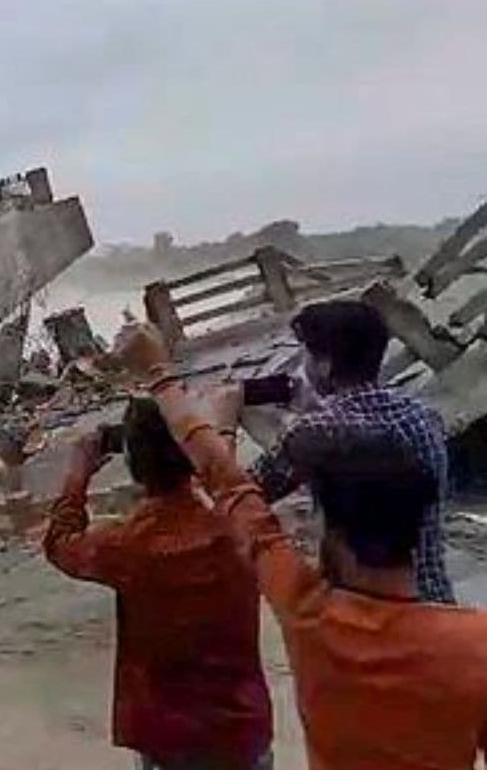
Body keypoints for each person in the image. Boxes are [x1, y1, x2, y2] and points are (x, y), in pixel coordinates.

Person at [116, 322, 487, 770]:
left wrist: (161, 375)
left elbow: (230, 489)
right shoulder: (476, 643)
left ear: (334, 530)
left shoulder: (308, 610)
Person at [43, 398, 273, 770]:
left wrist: (78, 473)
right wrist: (218, 432)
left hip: (170, 741)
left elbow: (59, 543)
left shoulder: (126, 546)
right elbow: (226, 484)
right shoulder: (239, 525)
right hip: (243, 730)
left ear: (133, 465)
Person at [250, 300, 454, 603]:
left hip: (369, 613)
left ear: (324, 364)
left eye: (307, 353)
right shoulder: (425, 416)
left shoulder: (315, 430)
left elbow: (248, 493)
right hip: (435, 599)